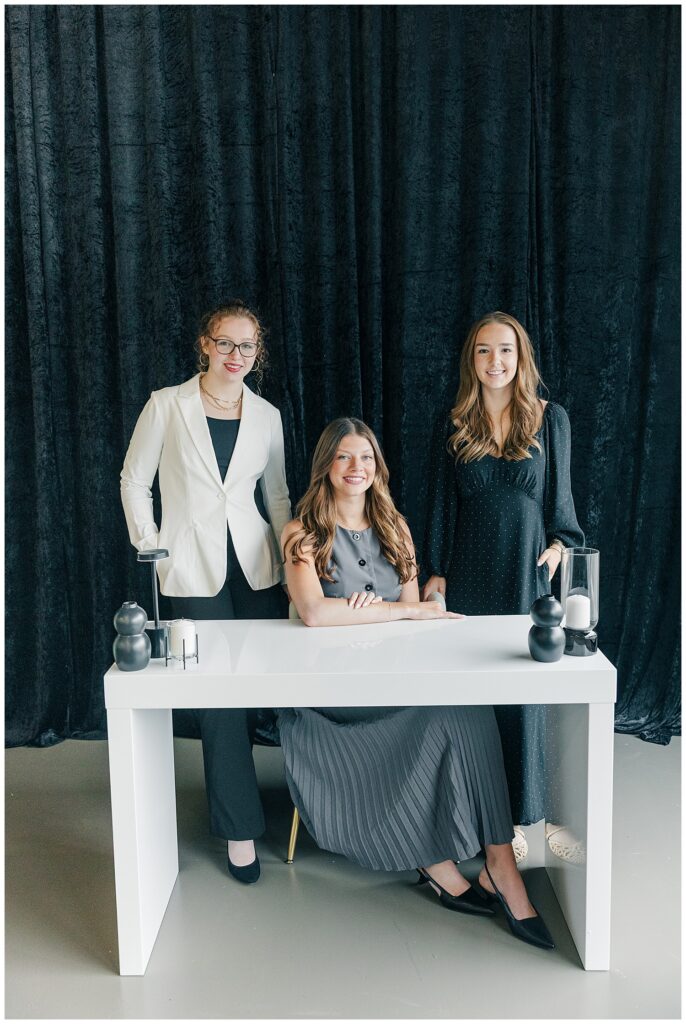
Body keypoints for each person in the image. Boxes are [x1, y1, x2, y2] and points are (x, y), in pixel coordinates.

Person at [278, 417, 554, 950]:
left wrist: (377, 612)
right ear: (327, 467)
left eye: (365, 457)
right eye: (343, 457)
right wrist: (389, 613)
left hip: (393, 680)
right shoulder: (302, 533)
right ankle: (446, 860)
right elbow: (313, 612)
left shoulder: (394, 527)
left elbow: (415, 615)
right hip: (333, 697)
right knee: (452, 714)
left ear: (377, 466)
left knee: (470, 708)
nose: (356, 468)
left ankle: (499, 861)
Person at [120, 299, 291, 883]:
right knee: (217, 697)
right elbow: (135, 479)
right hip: (190, 567)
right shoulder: (167, 406)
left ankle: (271, 798)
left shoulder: (266, 415)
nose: (236, 355)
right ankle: (240, 828)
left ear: (256, 352)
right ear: (205, 344)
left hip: (257, 568)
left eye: (247, 346)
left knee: (253, 696)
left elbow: (278, 497)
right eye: (226, 343)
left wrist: (294, 557)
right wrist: (151, 543)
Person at [422, 311, 584, 835]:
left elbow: (562, 501)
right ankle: (469, 819)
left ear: (521, 357)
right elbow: (440, 504)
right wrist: (436, 570)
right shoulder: (453, 422)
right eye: (485, 351)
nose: (496, 361)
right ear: (472, 360)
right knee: (471, 700)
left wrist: (561, 545)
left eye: (506, 350)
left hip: (524, 571)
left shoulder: (548, 416)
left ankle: (518, 825)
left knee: (521, 699)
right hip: (468, 571)